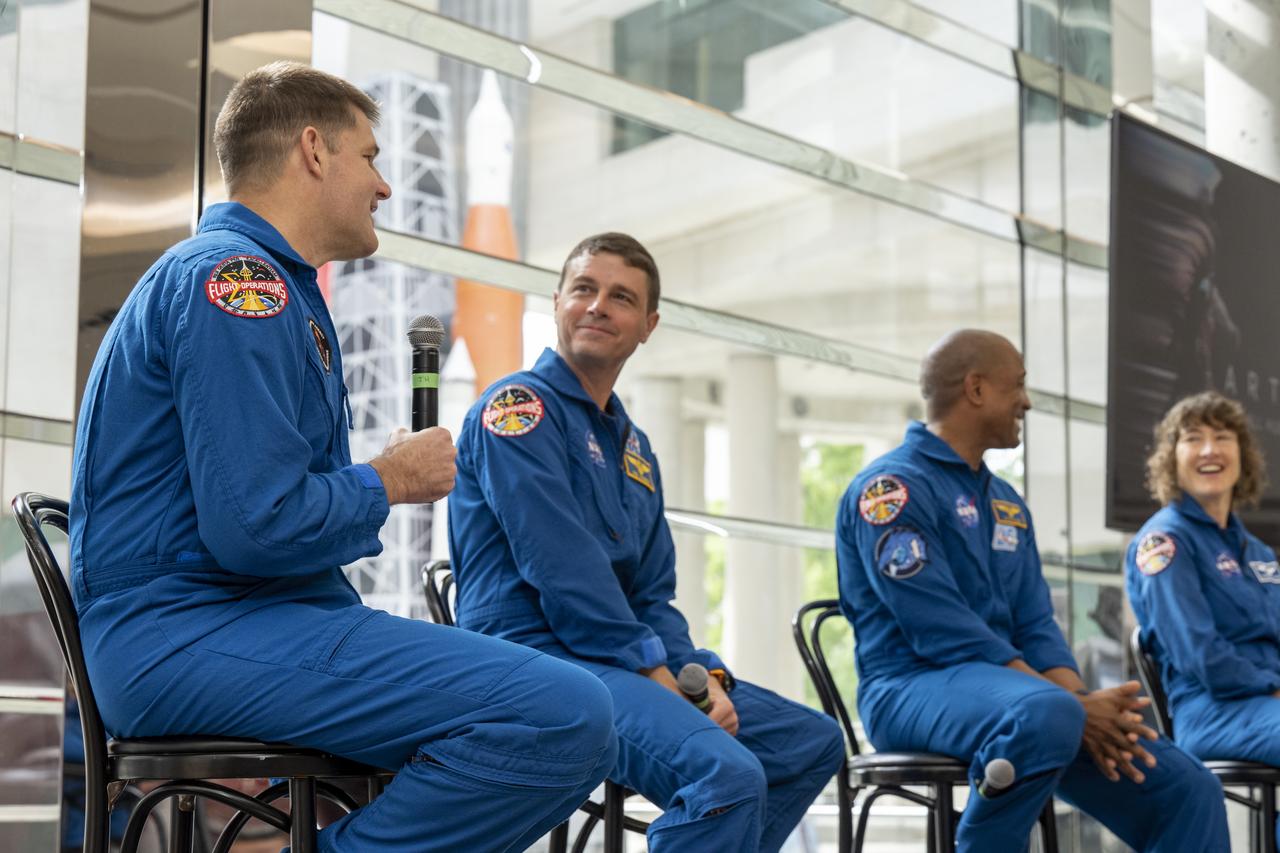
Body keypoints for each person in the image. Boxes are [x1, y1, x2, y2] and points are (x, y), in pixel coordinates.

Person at [68, 62, 616, 852]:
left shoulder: (270, 288)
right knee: (565, 713)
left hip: (229, 621)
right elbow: (255, 525)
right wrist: (386, 481)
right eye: (370, 157)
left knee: (534, 713)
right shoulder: (237, 285)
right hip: (185, 634)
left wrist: (368, 484)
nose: (385, 185)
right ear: (314, 151)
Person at [447, 232, 845, 852]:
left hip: (617, 662)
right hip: (535, 660)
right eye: (584, 288)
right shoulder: (517, 410)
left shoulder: (633, 447)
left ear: (648, 325)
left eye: (621, 297)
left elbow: (655, 592)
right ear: (556, 302)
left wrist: (697, 673)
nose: (598, 305)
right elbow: (564, 572)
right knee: (726, 773)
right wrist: (657, 673)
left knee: (807, 741)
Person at [836, 329, 1228, 852]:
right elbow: (942, 632)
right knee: (1049, 713)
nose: (1027, 400)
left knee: (1186, 785)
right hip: (909, 688)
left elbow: (1036, 623)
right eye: (1017, 386)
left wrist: (1080, 700)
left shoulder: (1006, 502)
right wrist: (1070, 705)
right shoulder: (891, 490)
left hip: (1024, 700)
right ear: (975, 389)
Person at [1127, 392, 1280, 770]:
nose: (1210, 449)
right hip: (1211, 710)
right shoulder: (1163, 543)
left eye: (1224, 437)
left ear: (1242, 454)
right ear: (1171, 458)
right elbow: (1200, 654)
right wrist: (1271, 688)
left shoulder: (1259, 551)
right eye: (1193, 438)